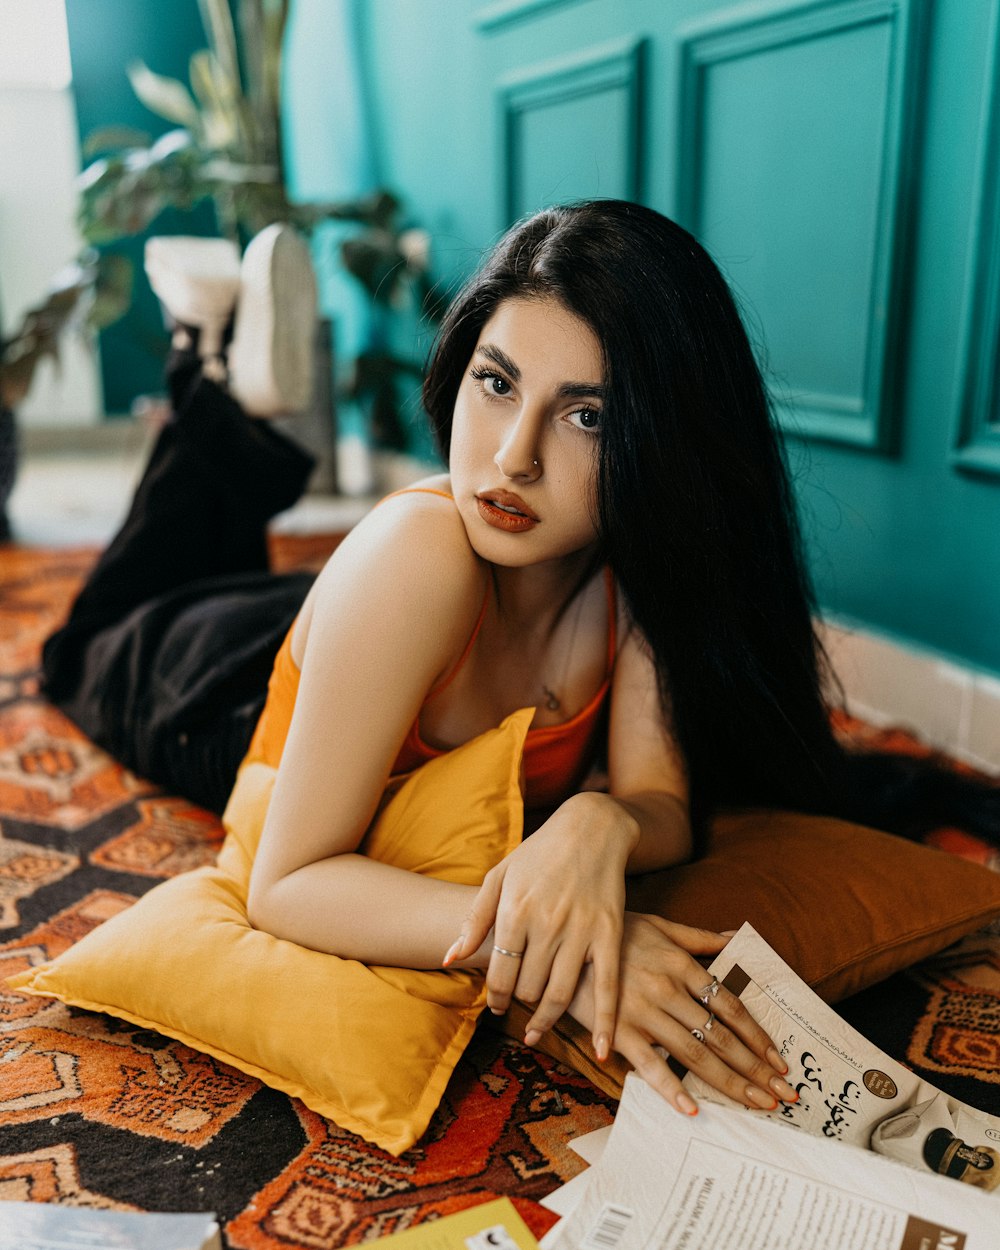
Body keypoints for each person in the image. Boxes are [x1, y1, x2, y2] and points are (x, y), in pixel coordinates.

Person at [41, 200, 995, 1121]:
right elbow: (285, 886)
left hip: (379, 639)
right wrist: (573, 946)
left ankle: (223, 388)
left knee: (235, 573)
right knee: (92, 635)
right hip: (216, 694)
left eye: (586, 417)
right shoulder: (418, 557)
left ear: (661, 441)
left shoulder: (639, 579)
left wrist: (594, 821)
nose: (513, 459)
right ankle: (213, 377)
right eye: (496, 384)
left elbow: (660, 806)